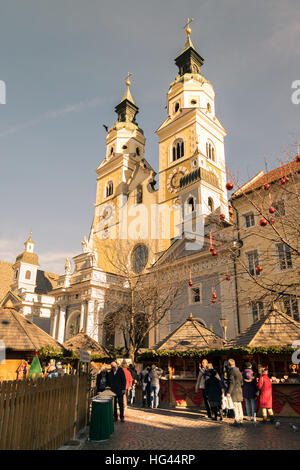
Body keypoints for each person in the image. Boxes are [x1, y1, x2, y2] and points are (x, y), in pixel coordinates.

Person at [227, 358, 244, 426]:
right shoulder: (238, 370)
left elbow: (232, 383)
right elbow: (241, 381)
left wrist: (229, 392)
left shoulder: (231, 371)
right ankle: (241, 419)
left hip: (234, 390)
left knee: (235, 405)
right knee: (239, 404)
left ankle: (237, 420)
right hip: (239, 389)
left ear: (229, 364)